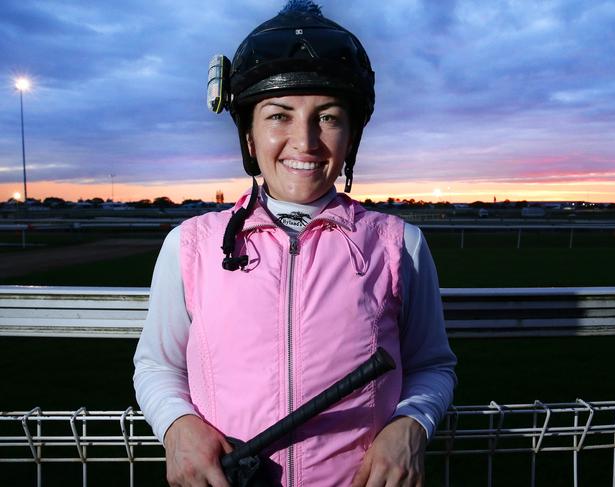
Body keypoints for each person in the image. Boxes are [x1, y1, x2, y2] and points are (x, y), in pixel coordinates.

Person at [133, 1, 457, 486]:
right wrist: (177, 428)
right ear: (248, 137)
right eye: (278, 116)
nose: (305, 141)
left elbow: (432, 365)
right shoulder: (189, 245)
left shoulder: (399, 244)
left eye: (327, 117)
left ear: (351, 137)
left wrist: (411, 425)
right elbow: (157, 364)